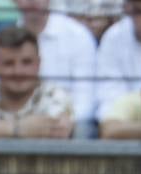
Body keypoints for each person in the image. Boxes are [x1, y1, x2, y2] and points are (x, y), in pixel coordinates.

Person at [15, 0, 97, 135]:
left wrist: (62, 122)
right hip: (21, 125)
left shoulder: (78, 35)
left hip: (69, 125)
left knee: (83, 129)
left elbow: (85, 100)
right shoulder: (4, 39)